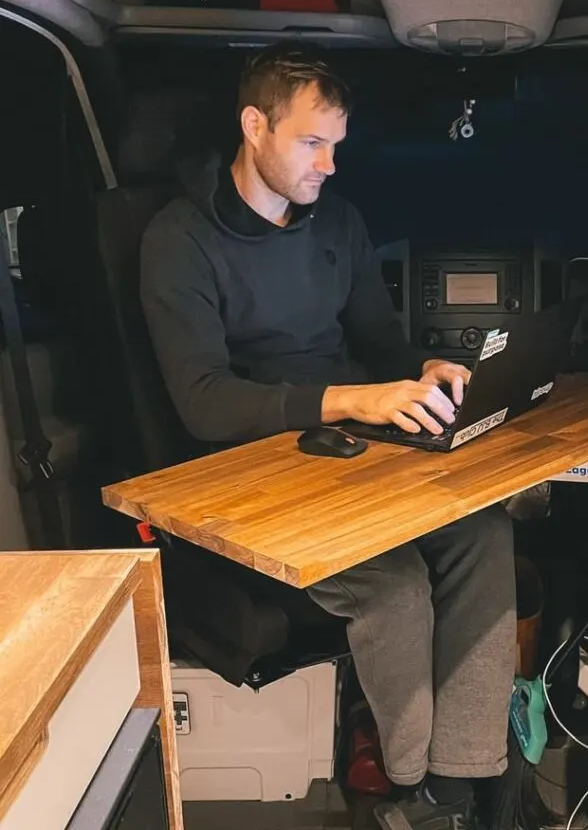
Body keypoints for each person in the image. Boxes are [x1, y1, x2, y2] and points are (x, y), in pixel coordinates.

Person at [140, 43, 516, 830]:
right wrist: (356, 402)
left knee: (484, 533)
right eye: (313, 143)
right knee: (394, 588)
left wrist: (424, 366)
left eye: (336, 146)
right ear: (254, 126)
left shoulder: (337, 224)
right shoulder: (180, 240)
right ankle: (415, 790)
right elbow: (204, 405)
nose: (329, 166)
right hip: (250, 471)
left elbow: (378, 344)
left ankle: (468, 775)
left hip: (349, 452)